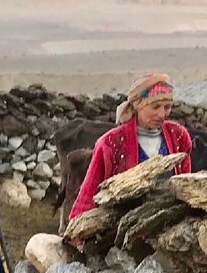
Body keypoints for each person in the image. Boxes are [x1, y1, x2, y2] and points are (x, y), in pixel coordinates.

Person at [67, 71, 192, 221]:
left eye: (167, 107)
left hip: (169, 226)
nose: (162, 114)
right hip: (121, 230)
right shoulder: (110, 144)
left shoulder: (178, 137)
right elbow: (88, 195)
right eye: (155, 106)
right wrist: (78, 232)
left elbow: (186, 186)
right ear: (138, 105)